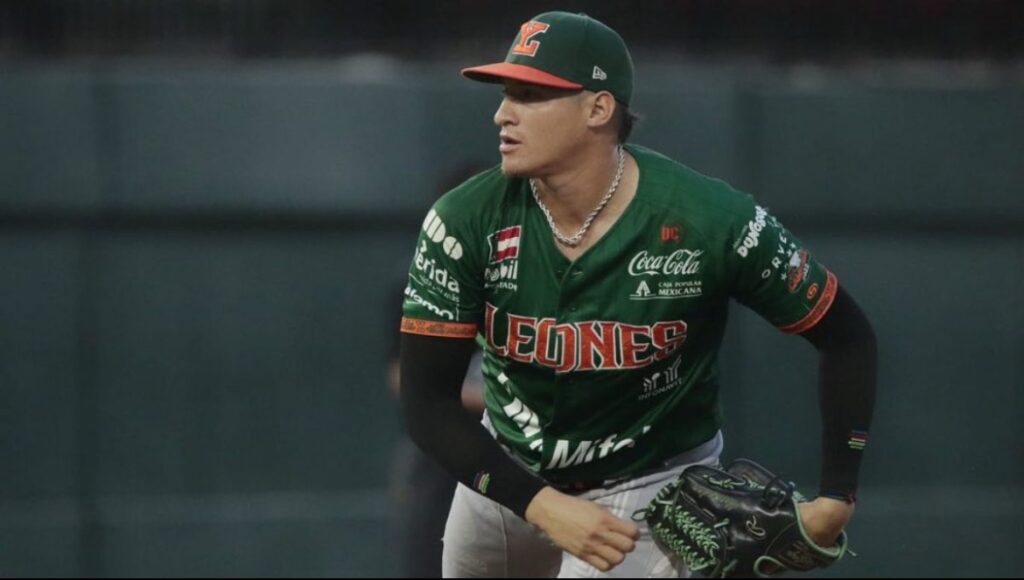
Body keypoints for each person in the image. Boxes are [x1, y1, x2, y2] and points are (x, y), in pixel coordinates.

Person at [398, 11, 876, 578]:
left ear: (598, 109)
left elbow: (846, 335)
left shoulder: (708, 220)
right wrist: (540, 504)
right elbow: (426, 405)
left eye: (530, 95)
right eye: (506, 94)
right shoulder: (464, 218)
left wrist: (837, 496)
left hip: (649, 482)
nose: (502, 113)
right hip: (506, 474)